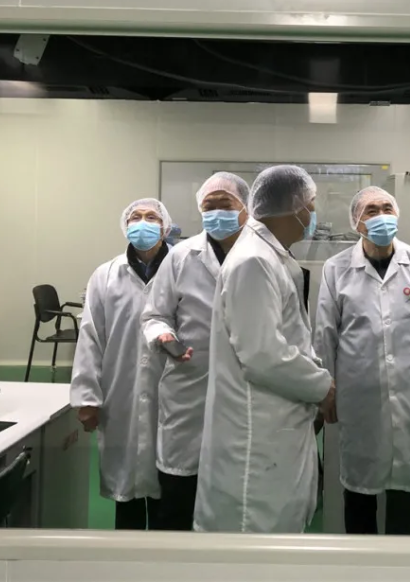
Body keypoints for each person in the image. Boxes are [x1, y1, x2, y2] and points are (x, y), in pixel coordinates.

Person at [194, 165, 335, 534]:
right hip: (255, 440)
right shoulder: (254, 261)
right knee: (255, 546)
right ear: (294, 208)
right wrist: (322, 387)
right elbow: (262, 354)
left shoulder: (271, 256)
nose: (314, 214)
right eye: (311, 204)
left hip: (275, 427)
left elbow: (287, 338)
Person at [313, 187, 410, 535]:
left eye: (387, 208)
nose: (381, 217)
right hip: (359, 396)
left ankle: (405, 563)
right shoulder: (337, 268)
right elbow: (325, 333)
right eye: (371, 211)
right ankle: (359, 562)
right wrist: (325, 389)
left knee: (406, 495)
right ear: (356, 222)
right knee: (359, 494)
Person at [140, 172, 250, 531]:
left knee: (235, 497)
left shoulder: (261, 255)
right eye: (208, 206)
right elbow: (155, 315)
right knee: (178, 492)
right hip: (189, 386)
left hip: (245, 388)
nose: (216, 212)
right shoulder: (181, 256)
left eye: (225, 204)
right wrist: (164, 337)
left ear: (245, 209)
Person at [70, 198, 172, 530]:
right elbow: (90, 337)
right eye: (135, 217)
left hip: (174, 396)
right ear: (125, 226)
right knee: (127, 497)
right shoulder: (105, 275)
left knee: (171, 493)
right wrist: (87, 398)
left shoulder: (183, 270)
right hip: (120, 393)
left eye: (151, 217)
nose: (142, 223)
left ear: (165, 227)